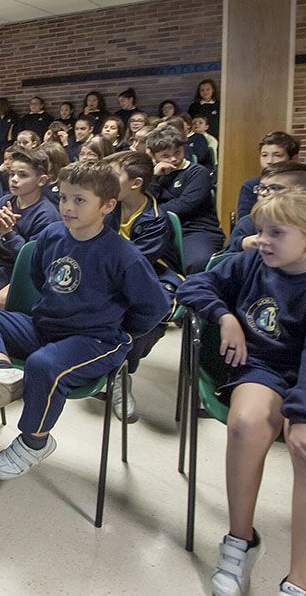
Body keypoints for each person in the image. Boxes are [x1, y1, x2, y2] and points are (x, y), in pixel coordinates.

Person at [177, 188, 306, 596]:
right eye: (260, 231)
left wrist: (302, 418)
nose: (261, 240)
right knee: (245, 425)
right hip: (268, 368)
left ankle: (302, 581)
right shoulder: (252, 262)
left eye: (275, 233)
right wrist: (225, 315)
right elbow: (195, 284)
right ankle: (240, 540)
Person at [0, 163, 166, 479]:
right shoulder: (51, 235)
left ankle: (35, 441)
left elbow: (155, 307)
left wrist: (124, 333)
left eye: (80, 200)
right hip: (46, 328)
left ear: (107, 206)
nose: (68, 207)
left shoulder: (122, 254)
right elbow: (37, 275)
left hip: (95, 339)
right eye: (64, 198)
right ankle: (3, 370)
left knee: (42, 365)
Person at [103, 151, 185, 421]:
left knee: (140, 313)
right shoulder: (109, 207)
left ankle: (122, 375)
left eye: (114, 175)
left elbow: (136, 263)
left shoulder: (157, 218)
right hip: (114, 272)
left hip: (154, 275)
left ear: (135, 183)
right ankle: (101, 363)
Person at [0, 149, 59, 308]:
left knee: (3, 301)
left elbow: (33, 262)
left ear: (41, 180)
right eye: (11, 174)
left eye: (23, 175)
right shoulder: (7, 200)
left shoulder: (47, 214)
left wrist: (8, 233)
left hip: (32, 277)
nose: (14, 180)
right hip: (6, 270)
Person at [149, 126, 224, 273]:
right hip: (161, 229)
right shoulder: (153, 176)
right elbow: (144, 201)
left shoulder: (198, 173)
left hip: (196, 229)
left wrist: (152, 211)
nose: (173, 159)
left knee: (197, 263)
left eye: (178, 152)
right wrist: (154, 178)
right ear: (153, 156)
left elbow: (184, 205)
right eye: (165, 155)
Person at [225, 162, 306, 253]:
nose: (263, 193)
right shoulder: (248, 223)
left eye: (274, 188)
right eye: (261, 187)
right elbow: (224, 259)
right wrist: (242, 243)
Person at [236, 132, 301, 220]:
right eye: (264, 155)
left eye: (277, 155)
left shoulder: (302, 182)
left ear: (293, 159)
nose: (269, 161)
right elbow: (245, 221)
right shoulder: (251, 185)